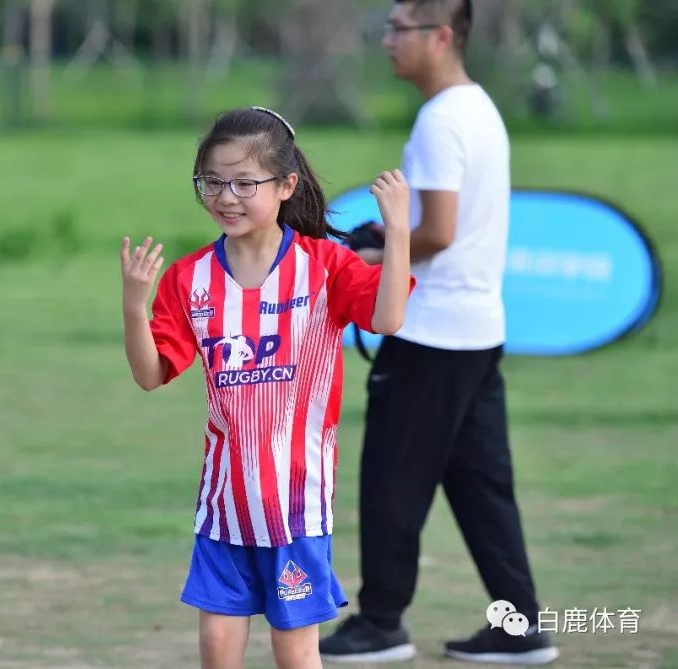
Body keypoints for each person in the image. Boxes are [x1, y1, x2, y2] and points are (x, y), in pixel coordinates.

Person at [120, 105, 413, 669]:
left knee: (294, 649)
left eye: (244, 183)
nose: (226, 197)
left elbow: (388, 317)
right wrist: (135, 307)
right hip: (222, 506)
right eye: (212, 182)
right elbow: (150, 374)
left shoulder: (323, 266)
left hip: (296, 506)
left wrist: (397, 231)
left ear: (285, 186)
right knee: (216, 645)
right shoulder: (189, 278)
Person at [318, 1, 558, 665]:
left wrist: (379, 248)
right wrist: (388, 238)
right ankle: (520, 624)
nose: (387, 40)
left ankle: (380, 623)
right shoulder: (478, 109)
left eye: (400, 29)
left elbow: (438, 232)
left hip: (431, 333)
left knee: (391, 477)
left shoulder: (440, 121)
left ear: (442, 36)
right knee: (483, 486)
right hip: (477, 329)